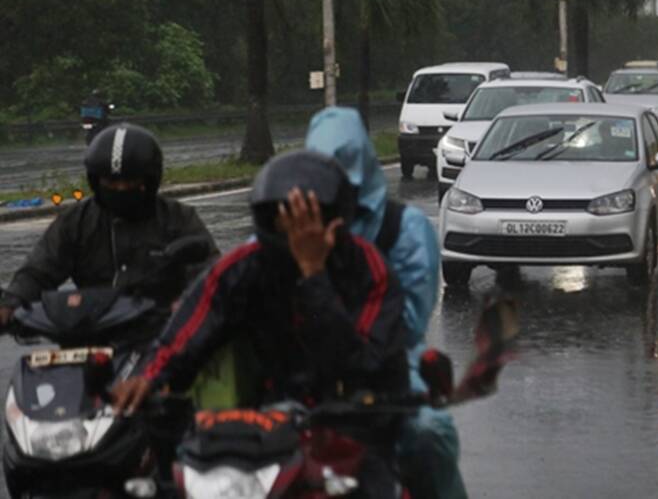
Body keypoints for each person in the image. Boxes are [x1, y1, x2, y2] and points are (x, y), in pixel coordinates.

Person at [111, 150, 411, 494]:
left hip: (361, 419)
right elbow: (190, 327)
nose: (296, 233)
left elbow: (357, 364)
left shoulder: (368, 270)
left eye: (306, 222)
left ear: (334, 223)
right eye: (287, 221)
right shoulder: (244, 267)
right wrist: (149, 379)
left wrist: (313, 275)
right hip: (272, 420)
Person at [305, 107, 465, 499]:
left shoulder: (402, 229)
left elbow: (406, 325)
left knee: (428, 433)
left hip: (387, 365)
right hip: (301, 364)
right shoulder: (291, 227)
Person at [0, 124, 217, 325]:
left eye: (130, 181)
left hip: (161, 338)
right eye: (111, 182)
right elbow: (39, 270)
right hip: (91, 332)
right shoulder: (76, 221)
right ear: (96, 181)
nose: (121, 189)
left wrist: (191, 305)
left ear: (149, 180)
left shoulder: (178, 218)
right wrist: (12, 303)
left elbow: (210, 273)